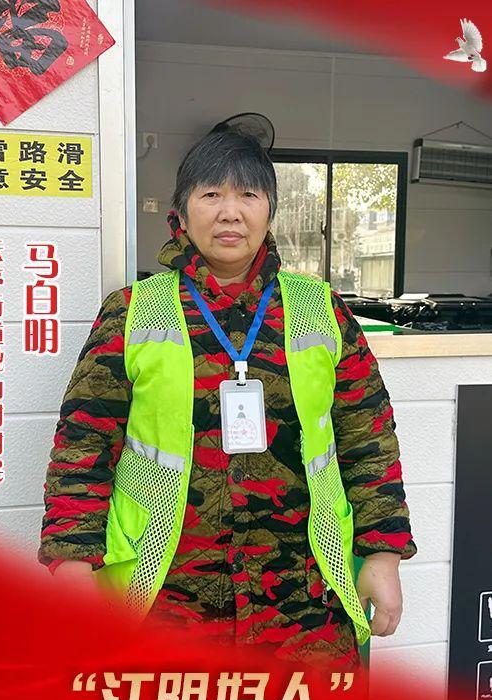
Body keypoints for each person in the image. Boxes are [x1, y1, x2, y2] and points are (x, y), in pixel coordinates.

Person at [37, 128, 417, 671]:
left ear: (270, 211)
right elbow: (83, 444)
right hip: (163, 594)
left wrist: (383, 552)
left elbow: (369, 440)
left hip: (304, 598)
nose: (230, 213)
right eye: (211, 194)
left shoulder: (322, 310)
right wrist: (73, 563)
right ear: (181, 212)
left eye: (248, 195)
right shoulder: (132, 312)